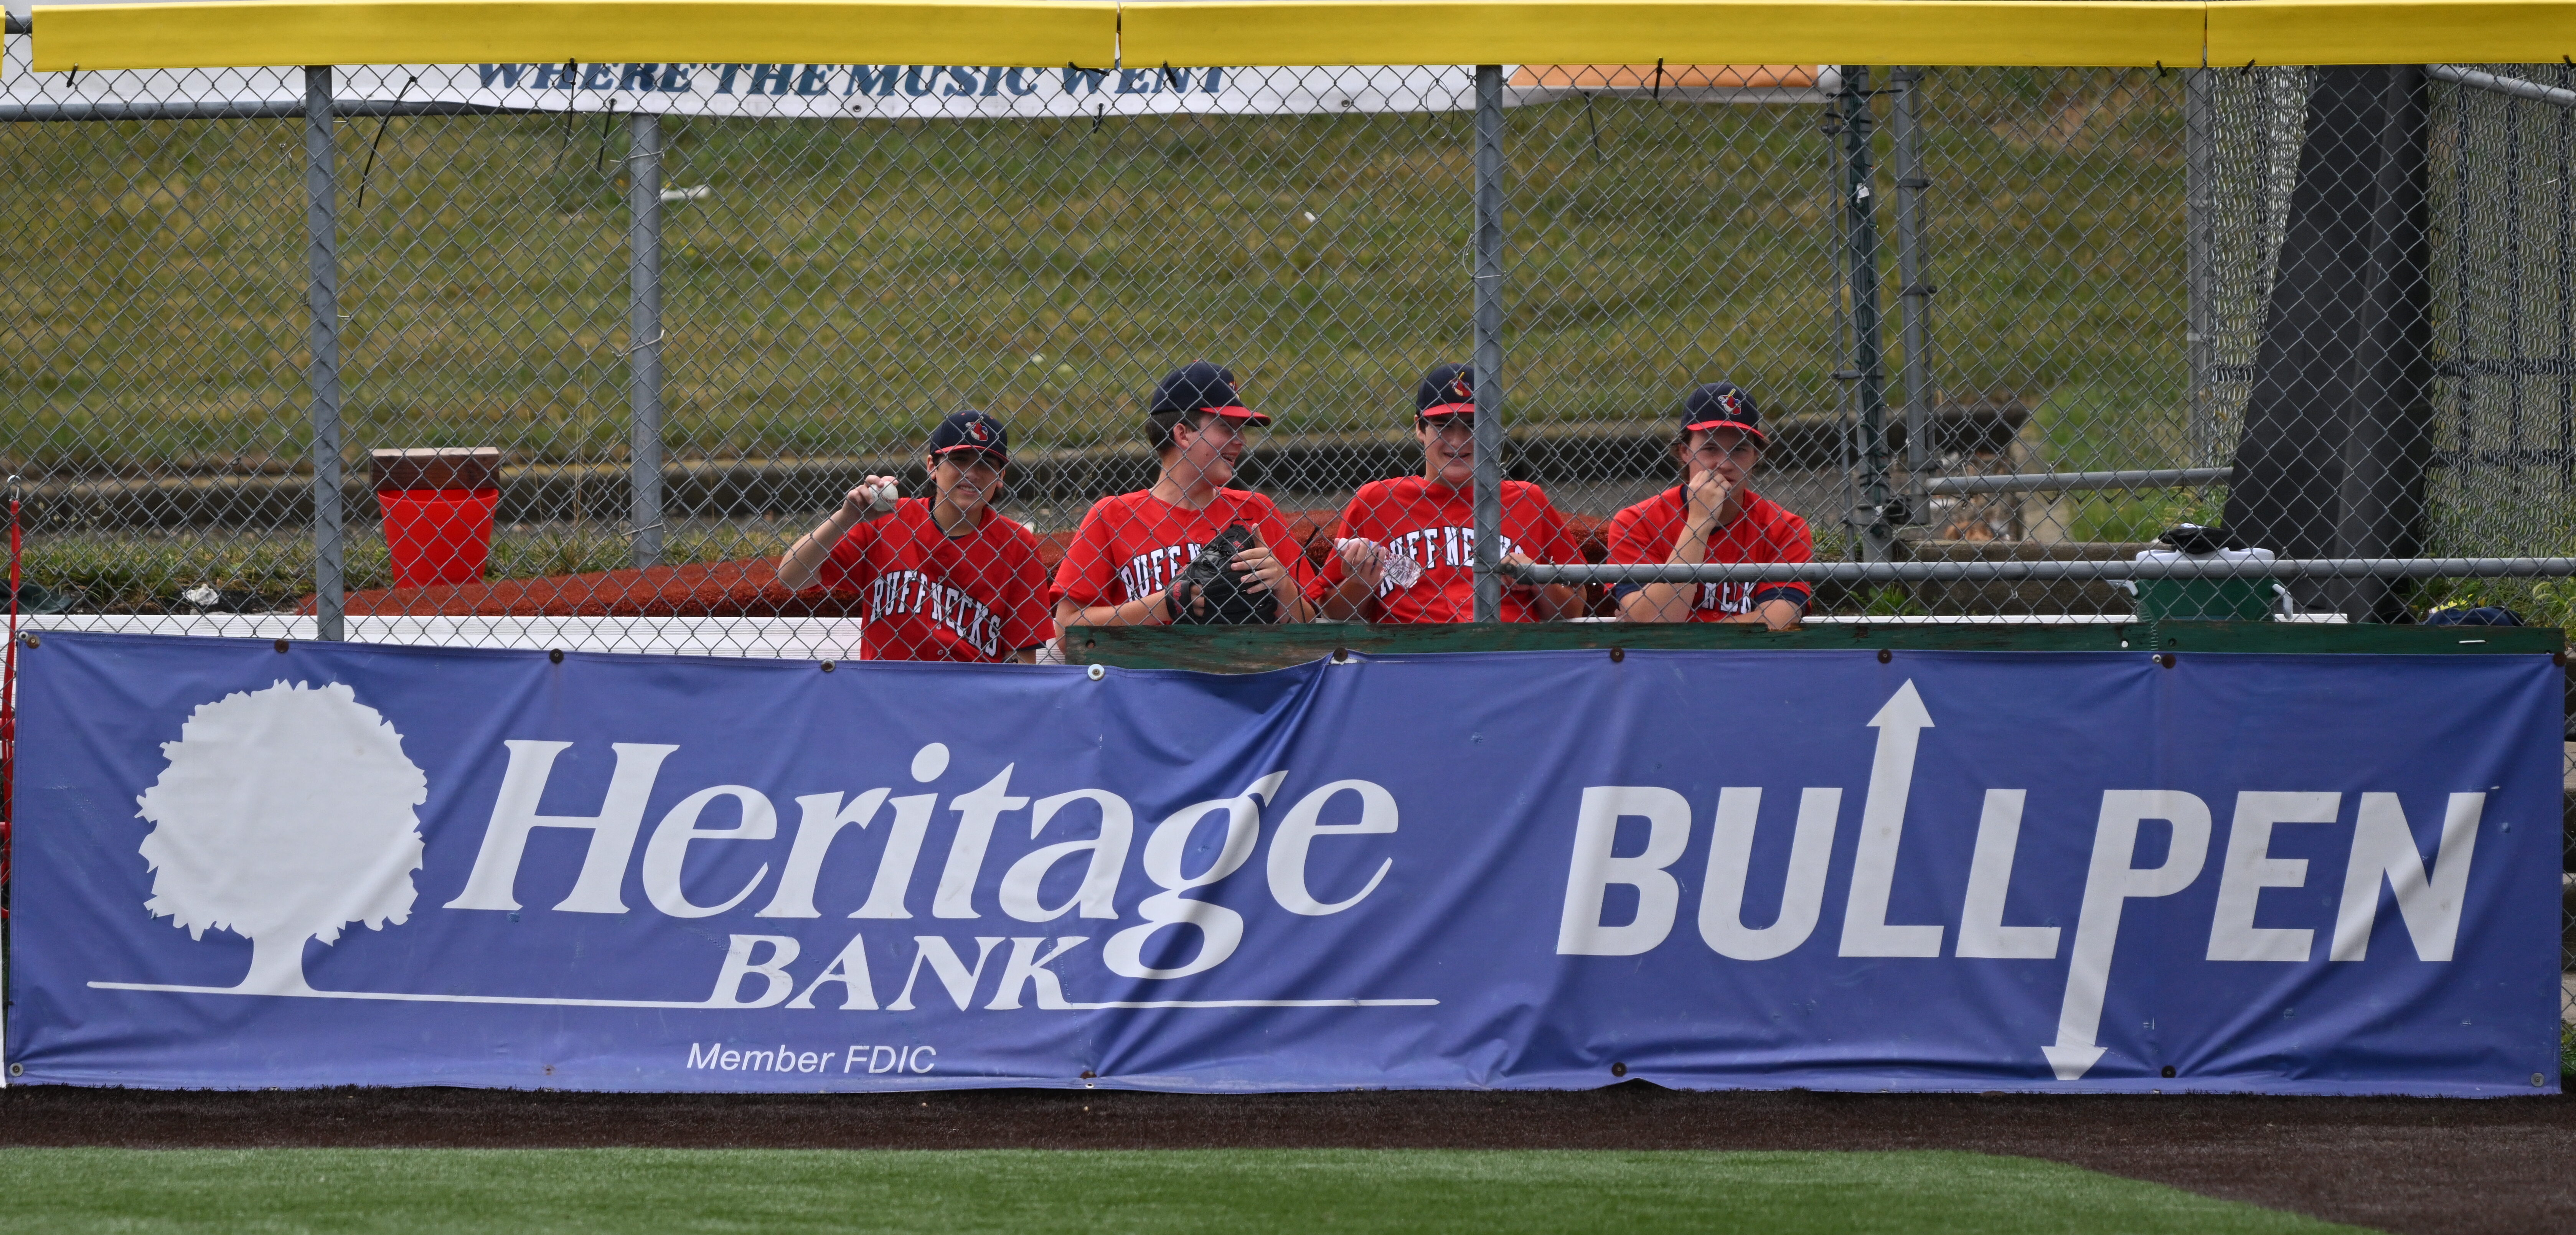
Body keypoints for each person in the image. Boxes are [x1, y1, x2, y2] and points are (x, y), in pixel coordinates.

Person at [1053, 362, 1317, 633]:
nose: (1241, 440)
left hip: (1244, 671)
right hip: (1149, 673)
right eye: (1227, 427)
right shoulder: (1112, 516)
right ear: (1183, 434)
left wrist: (1283, 585)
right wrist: (1166, 604)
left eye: (1241, 429)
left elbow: (1313, 630)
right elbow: (1065, 629)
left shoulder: (1257, 510)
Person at [1311, 363, 1583, 623]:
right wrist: (1361, 584)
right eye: (1444, 425)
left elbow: (1574, 607)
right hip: (1412, 655)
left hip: (1505, 651)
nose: (1457, 441)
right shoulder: (1376, 501)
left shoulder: (1527, 500)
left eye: (1472, 425)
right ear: (1420, 428)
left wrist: (1536, 580)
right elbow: (1333, 610)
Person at [776, 409, 1052, 662]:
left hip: (971, 702)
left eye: (987, 464)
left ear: (1001, 475)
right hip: (887, 697)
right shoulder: (886, 522)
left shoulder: (1018, 545)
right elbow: (791, 577)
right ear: (932, 465)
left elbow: (1022, 659)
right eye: (959, 459)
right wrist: (846, 518)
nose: (973, 473)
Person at [1609, 382, 1813, 630]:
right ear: (1685, 451)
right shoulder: (1636, 522)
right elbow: (1654, 622)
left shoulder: (1785, 527)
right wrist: (1699, 523)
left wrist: (1686, 636)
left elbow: (1780, 620)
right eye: (1710, 449)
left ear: (1757, 456)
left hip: (1746, 662)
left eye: (1739, 449)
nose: (1724, 464)